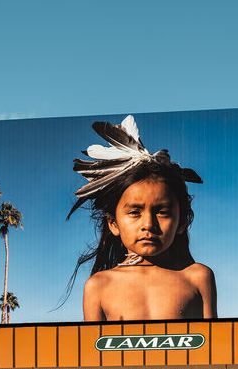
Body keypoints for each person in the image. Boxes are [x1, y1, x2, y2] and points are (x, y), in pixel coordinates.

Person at [68, 115, 217, 322]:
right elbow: (93, 344)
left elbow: (213, 341)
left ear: (182, 222)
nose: (148, 225)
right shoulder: (98, 285)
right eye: (134, 212)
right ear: (113, 223)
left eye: (162, 212)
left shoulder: (198, 277)